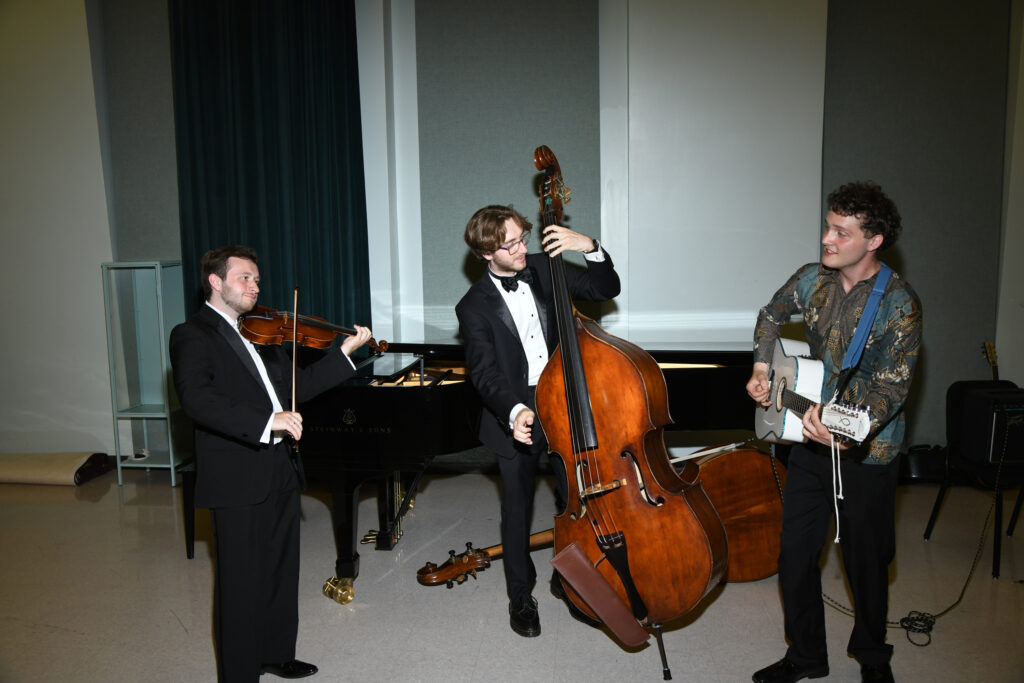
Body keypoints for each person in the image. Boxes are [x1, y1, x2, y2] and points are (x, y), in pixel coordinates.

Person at [746, 182, 922, 683]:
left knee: (866, 563)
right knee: (794, 555)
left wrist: (846, 429)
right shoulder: (812, 279)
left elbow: (892, 389)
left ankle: (871, 656)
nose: (827, 238)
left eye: (841, 231)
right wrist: (762, 367)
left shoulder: (899, 305)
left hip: (868, 453)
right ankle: (806, 655)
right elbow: (770, 315)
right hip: (809, 442)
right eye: (827, 225)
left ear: (873, 241)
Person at [170, 246, 371, 683]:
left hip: (280, 468)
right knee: (239, 583)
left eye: (257, 279)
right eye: (244, 278)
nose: (255, 287)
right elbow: (198, 400)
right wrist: (267, 421)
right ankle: (239, 673)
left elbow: (299, 387)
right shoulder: (192, 334)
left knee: (282, 570)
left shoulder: (262, 334)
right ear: (215, 282)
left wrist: (346, 354)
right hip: (237, 475)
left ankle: (276, 654)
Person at [455, 204, 620, 637]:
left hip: (562, 402)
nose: (522, 248)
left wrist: (591, 247)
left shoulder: (545, 268)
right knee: (517, 507)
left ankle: (569, 577)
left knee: (573, 499)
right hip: (512, 409)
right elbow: (484, 373)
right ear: (486, 253)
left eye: (523, 237)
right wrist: (514, 410)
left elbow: (607, 288)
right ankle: (520, 594)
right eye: (510, 244)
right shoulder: (472, 307)